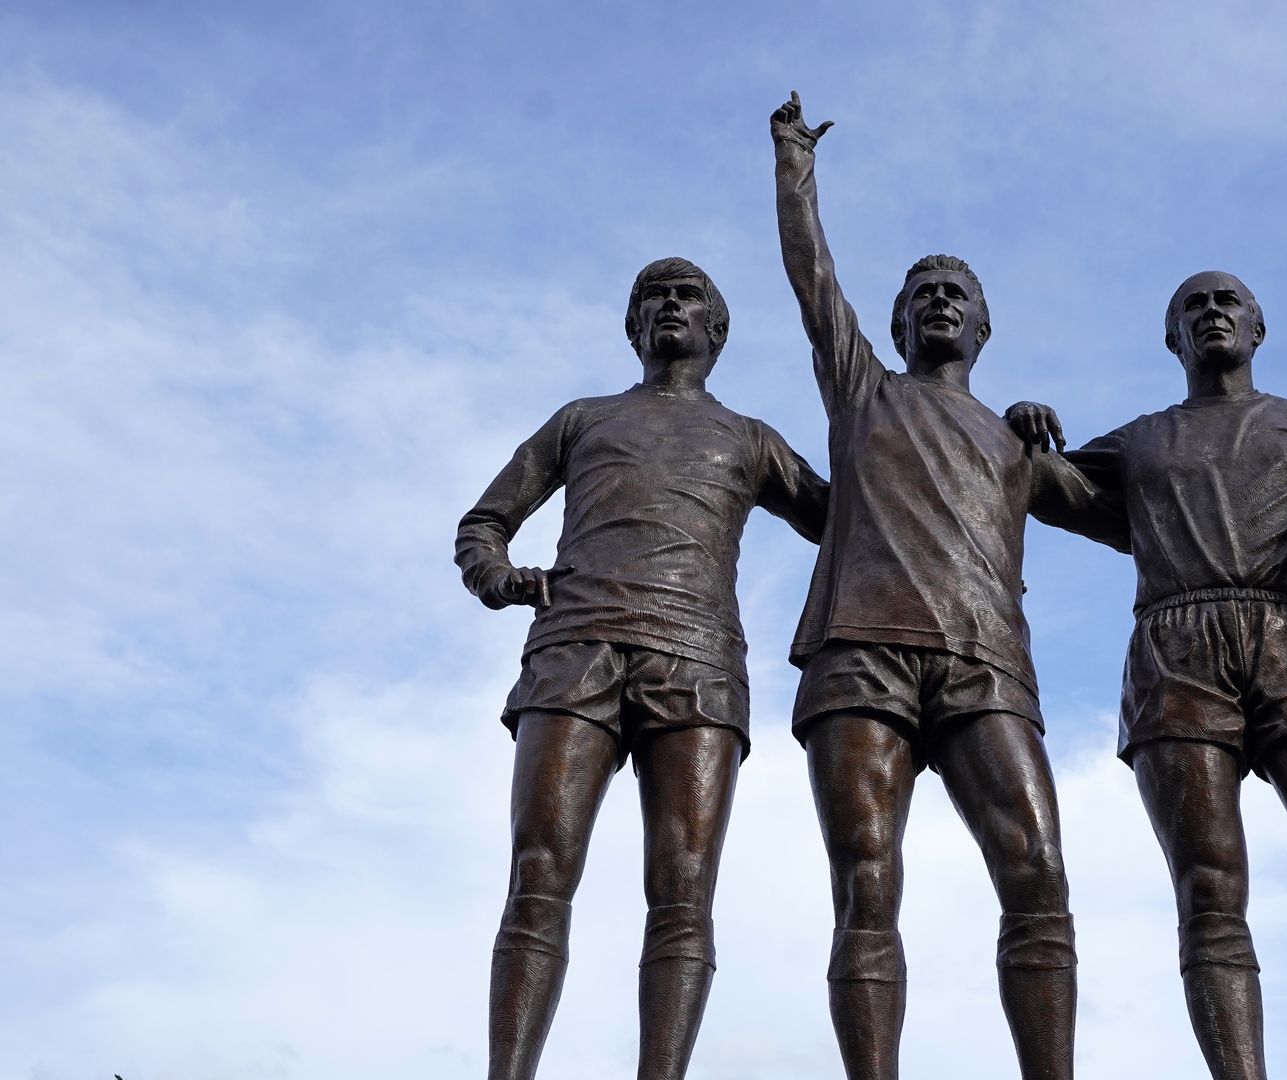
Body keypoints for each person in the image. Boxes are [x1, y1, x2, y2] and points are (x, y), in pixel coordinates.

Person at [1005, 270, 1287, 1079]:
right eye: (1193, 306)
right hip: (1177, 653)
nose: (1211, 312)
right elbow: (1047, 488)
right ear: (1172, 339)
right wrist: (1019, 432)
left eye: (1227, 303)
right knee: (1210, 892)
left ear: (1258, 327)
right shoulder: (1142, 439)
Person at [769, 92, 1104, 1080]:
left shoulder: (1014, 439)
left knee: (1039, 875)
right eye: (923, 296)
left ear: (986, 326)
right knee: (867, 885)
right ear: (896, 323)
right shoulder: (863, 388)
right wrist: (795, 164)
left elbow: (1133, 512)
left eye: (957, 293)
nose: (940, 303)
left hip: (983, 661)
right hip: (861, 654)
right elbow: (811, 274)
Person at [454, 257, 828, 1080]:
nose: (669, 305)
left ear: (717, 332)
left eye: (687, 296)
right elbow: (483, 522)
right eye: (652, 297)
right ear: (632, 328)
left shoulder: (752, 439)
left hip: (697, 663)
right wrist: (498, 576)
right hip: (574, 651)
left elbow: (853, 524)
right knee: (539, 872)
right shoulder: (583, 419)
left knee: (684, 890)